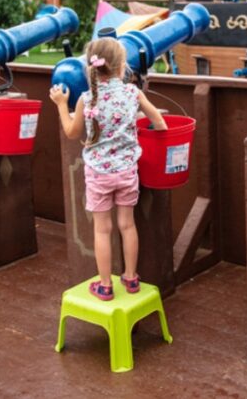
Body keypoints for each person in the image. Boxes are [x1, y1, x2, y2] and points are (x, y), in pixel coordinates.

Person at [50, 37, 168, 301]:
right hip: (127, 171)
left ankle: (105, 285)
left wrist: (61, 105)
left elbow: (72, 132)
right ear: (122, 66)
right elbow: (160, 123)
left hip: (98, 174)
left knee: (102, 229)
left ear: (91, 67)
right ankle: (131, 277)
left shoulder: (86, 99)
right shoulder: (133, 94)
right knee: (127, 224)